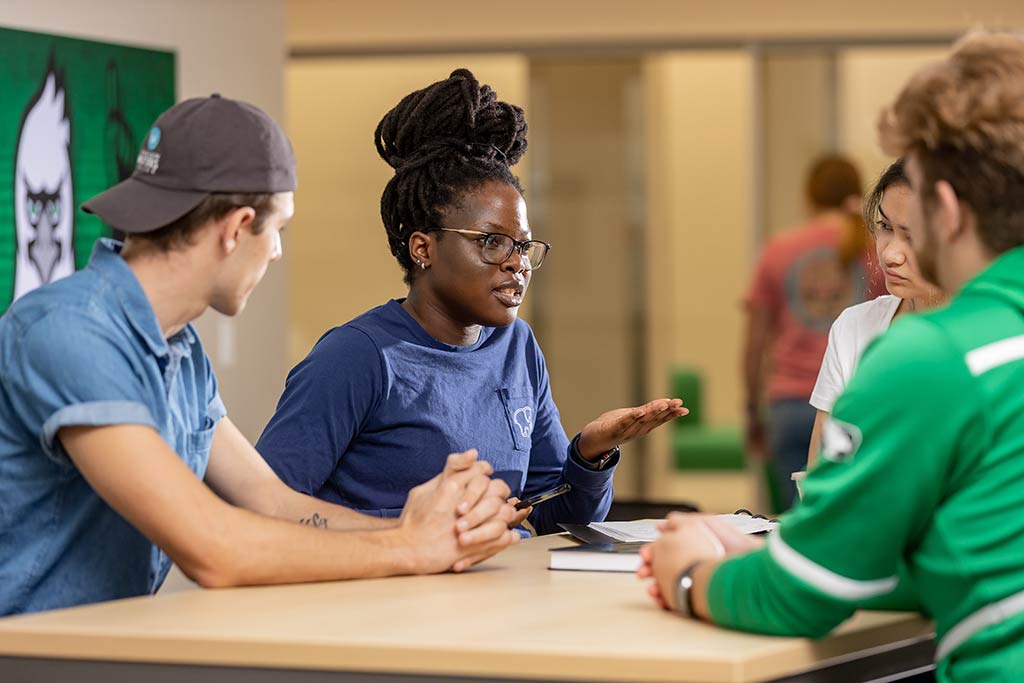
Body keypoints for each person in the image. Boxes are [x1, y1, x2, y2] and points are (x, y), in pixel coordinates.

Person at [0, 95, 518, 616]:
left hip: (100, 647)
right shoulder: (70, 333)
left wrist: (431, 534)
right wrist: (408, 547)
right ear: (236, 228)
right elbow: (212, 549)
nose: (275, 251)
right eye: (278, 231)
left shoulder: (176, 345)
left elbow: (270, 501)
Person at [641, 32, 1024, 682]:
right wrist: (782, 551)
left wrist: (689, 573)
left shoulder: (933, 357)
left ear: (949, 211)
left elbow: (795, 600)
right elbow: (975, 553)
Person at [256, 69, 686, 536]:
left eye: (523, 246)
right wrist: (416, 528)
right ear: (424, 249)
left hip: (501, 596)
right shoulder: (357, 356)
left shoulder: (516, 345)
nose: (517, 264)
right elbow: (265, 509)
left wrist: (589, 455)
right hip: (386, 600)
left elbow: (550, 518)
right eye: (492, 243)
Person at [743, 155, 880, 509]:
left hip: (788, 402)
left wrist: (751, 407)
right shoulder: (875, 248)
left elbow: (754, 341)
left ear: (809, 196)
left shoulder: (779, 249)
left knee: (795, 520)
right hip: (854, 400)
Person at [806, 159, 947, 467]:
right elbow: (822, 473)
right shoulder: (854, 328)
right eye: (885, 228)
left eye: (911, 235)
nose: (889, 254)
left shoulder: (999, 333)